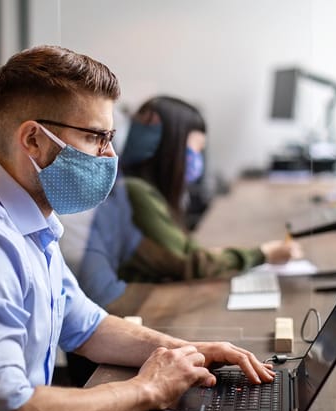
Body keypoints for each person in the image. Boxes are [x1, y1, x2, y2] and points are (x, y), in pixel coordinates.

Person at [0, 46, 275, 411]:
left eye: (110, 138)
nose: (110, 156)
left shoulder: (32, 223)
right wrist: (149, 388)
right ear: (33, 140)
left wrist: (187, 352)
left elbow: (87, 326)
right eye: (95, 137)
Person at [59, 96, 301, 310]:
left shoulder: (136, 187)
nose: (198, 159)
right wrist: (264, 253)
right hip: (123, 323)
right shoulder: (134, 192)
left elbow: (184, 252)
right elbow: (189, 263)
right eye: (196, 149)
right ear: (171, 148)